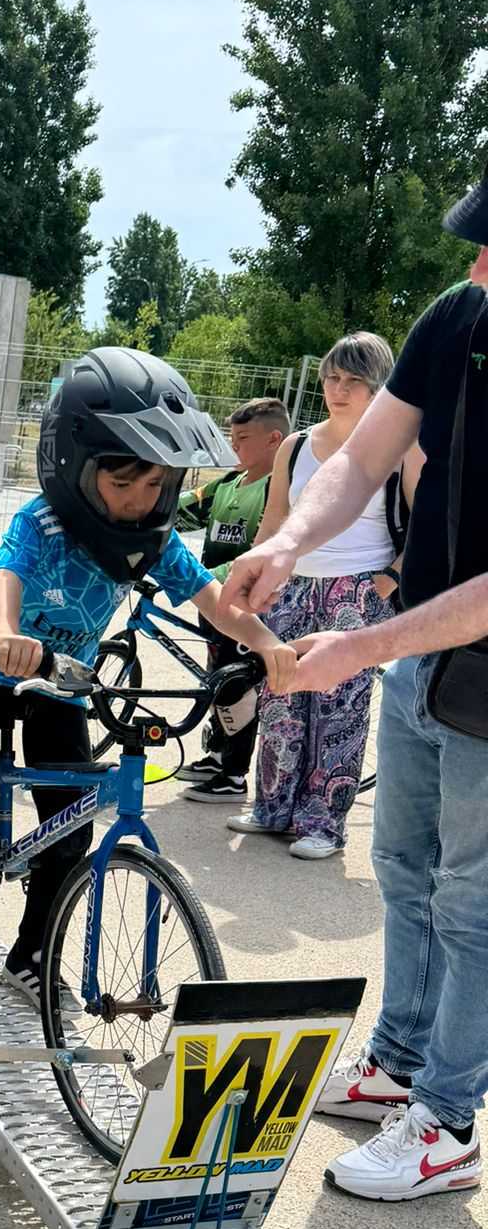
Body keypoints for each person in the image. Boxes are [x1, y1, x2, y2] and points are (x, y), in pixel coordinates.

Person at [0, 349, 296, 994]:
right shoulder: (40, 521)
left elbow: (214, 601)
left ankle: (29, 955)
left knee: (65, 834)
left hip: (65, 687)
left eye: (154, 486)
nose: (137, 501)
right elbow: (4, 578)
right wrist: (7, 636)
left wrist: (267, 644)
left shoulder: (157, 538)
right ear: (76, 468)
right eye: (122, 485)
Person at [224, 183, 488, 1203]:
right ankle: (397, 1061)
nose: (473, 266)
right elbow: (365, 452)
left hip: (471, 662)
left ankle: (451, 1118)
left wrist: (361, 642)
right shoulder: (458, 318)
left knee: (472, 900)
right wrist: (286, 543)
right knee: (403, 866)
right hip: (427, 653)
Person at [225, 335, 423, 858]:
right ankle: (272, 806)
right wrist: (256, 572)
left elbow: (424, 524)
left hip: (356, 585)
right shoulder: (295, 445)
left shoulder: (399, 447)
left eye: (354, 381)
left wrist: (385, 583)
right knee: (281, 696)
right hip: (293, 585)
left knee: (340, 709)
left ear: (377, 386)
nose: (340, 389)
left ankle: (323, 823)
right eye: (333, 377)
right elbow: (275, 520)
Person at [174, 396, 290, 801]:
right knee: (217, 675)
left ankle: (234, 776)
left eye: (242, 438)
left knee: (238, 684)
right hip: (214, 601)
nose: (233, 445)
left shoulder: (279, 490)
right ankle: (217, 753)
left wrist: (201, 580)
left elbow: (264, 551)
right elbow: (183, 512)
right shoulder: (227, 483)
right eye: (232, 436)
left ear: (274, 439)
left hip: (245, 605)